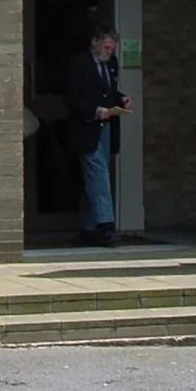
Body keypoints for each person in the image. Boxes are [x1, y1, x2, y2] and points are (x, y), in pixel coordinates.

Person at [66, 26, 130, 246]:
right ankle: (106, 225)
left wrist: (121, 100)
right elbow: (73, 98)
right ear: (94, 42)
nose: (109, 52)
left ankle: (88, 226)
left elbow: (110, 92)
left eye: (112, 49)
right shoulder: (79, 63)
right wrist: (95, 110)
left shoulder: (111, 64)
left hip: (107, 127)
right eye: (106, 47)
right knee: (99, 175)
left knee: (93, 177)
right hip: (87, 127)